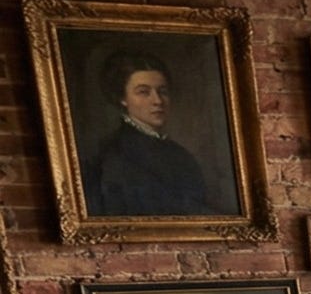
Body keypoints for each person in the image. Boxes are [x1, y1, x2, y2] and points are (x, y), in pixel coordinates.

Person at [83, 51, 217, 218]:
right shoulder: (112, 154)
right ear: (122, 98)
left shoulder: (180, 154)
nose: (157, 101)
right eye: (143, 92)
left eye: (163, 91)